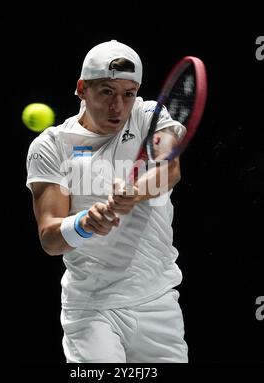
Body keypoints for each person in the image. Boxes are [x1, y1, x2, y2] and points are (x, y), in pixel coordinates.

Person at [26, 39, 188, 363]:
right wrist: (84, 224)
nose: (118, 107)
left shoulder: (149, 116)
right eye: (107, 92)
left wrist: (136, 192)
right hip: (91, 309)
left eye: (128, 94)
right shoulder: (52, 146)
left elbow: (170, 169)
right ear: (81, 88)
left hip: (158, 302)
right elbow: (49, 238)